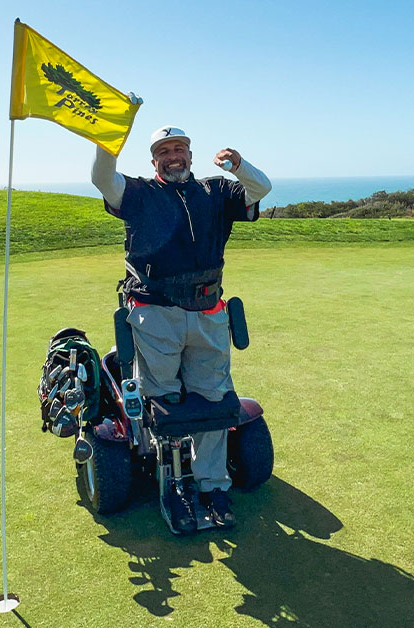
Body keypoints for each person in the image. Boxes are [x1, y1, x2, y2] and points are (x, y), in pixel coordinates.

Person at [91, 125, 271, 532]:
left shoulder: (217, 191)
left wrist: (240, 166)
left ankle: (212, 486)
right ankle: (173, 484)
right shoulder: (138, 194)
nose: (173, 156)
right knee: (164, 402)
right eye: (164, 151)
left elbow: (260, 189)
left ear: (190, 154)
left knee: (213, 401)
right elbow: (102, 179)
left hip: (208, 311)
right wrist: (108, 143)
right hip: (155, 313)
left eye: (180, 149)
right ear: (153, 160)